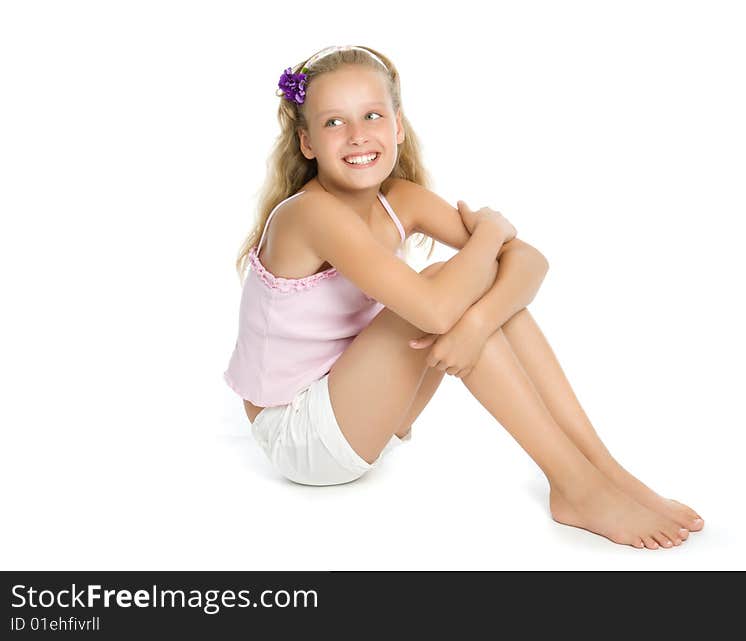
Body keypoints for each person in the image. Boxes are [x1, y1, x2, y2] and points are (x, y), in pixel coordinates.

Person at [223, 44, 704, 550]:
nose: (358, 135)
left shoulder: (401, 200)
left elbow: (532, 261)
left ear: (398, 126)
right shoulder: (309, 215)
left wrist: (477, 324)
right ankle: (575, 487)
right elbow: (436, 307)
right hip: (301, 435)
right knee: (445, 287)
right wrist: (490, 234)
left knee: (478, 297)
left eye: (371, 115)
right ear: (307, 143)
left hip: (368, 414)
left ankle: (605, 472)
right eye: (334, 123)